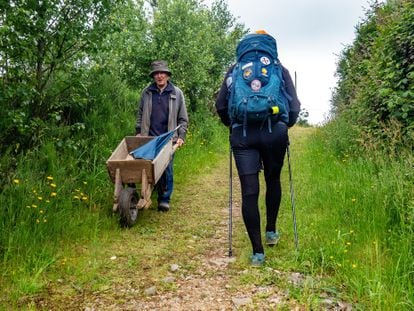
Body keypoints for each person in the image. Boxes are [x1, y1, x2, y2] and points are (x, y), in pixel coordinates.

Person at [215, 31, 301, 266]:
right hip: (275, 132)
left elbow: (221, 105)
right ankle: (271, 231)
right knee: (273, 180)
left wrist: (233, 125)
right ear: (270, 47)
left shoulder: (235, 70)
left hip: (243, 135)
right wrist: (285, 124)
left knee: (249, 191)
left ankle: (257, 253)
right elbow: (294, 106)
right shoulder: (278, 68)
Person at [135, 60, 188, 212]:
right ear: (153, 76)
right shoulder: (147, 92)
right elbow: (140, 114)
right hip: (149, 138)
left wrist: (181, 136)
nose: (159, 76)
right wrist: (139, 131)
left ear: (167, 75)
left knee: (166, 169)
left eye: (162, 73)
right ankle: (147, 194)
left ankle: (164, 199)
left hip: (168, 138)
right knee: (148, 167)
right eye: (156, 73)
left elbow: (183, 118)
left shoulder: (176, 93)